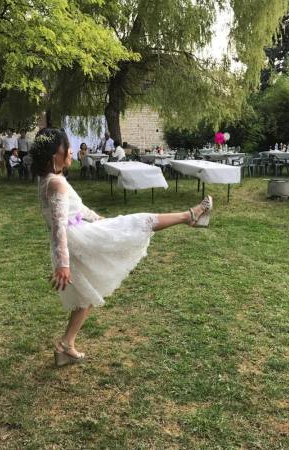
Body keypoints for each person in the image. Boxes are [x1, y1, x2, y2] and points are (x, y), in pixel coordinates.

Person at [31, 128, 213, 367]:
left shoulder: (47, 180)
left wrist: (100, 219)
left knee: (87, 293)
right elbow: (58, 227)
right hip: (80, 240)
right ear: (54, 155)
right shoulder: (56, 183)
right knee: (139, 221)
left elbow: (77, 210)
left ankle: (66, 345)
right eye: (67, 147)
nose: (72, 151)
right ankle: (189, 216)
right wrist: (62, 264)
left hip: (80, 237)